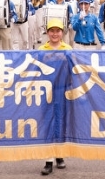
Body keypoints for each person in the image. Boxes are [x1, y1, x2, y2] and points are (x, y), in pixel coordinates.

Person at [38, 18, 71, 175]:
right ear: (47, 32)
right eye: (52, 31)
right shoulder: (41, 49)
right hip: (46, 92)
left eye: (58, 31)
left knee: (61, 124)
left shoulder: (68, 49)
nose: (55, 34)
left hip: (62, 92)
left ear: (62, 33)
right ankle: (48, 161)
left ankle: (60, 155)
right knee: (48, 126)